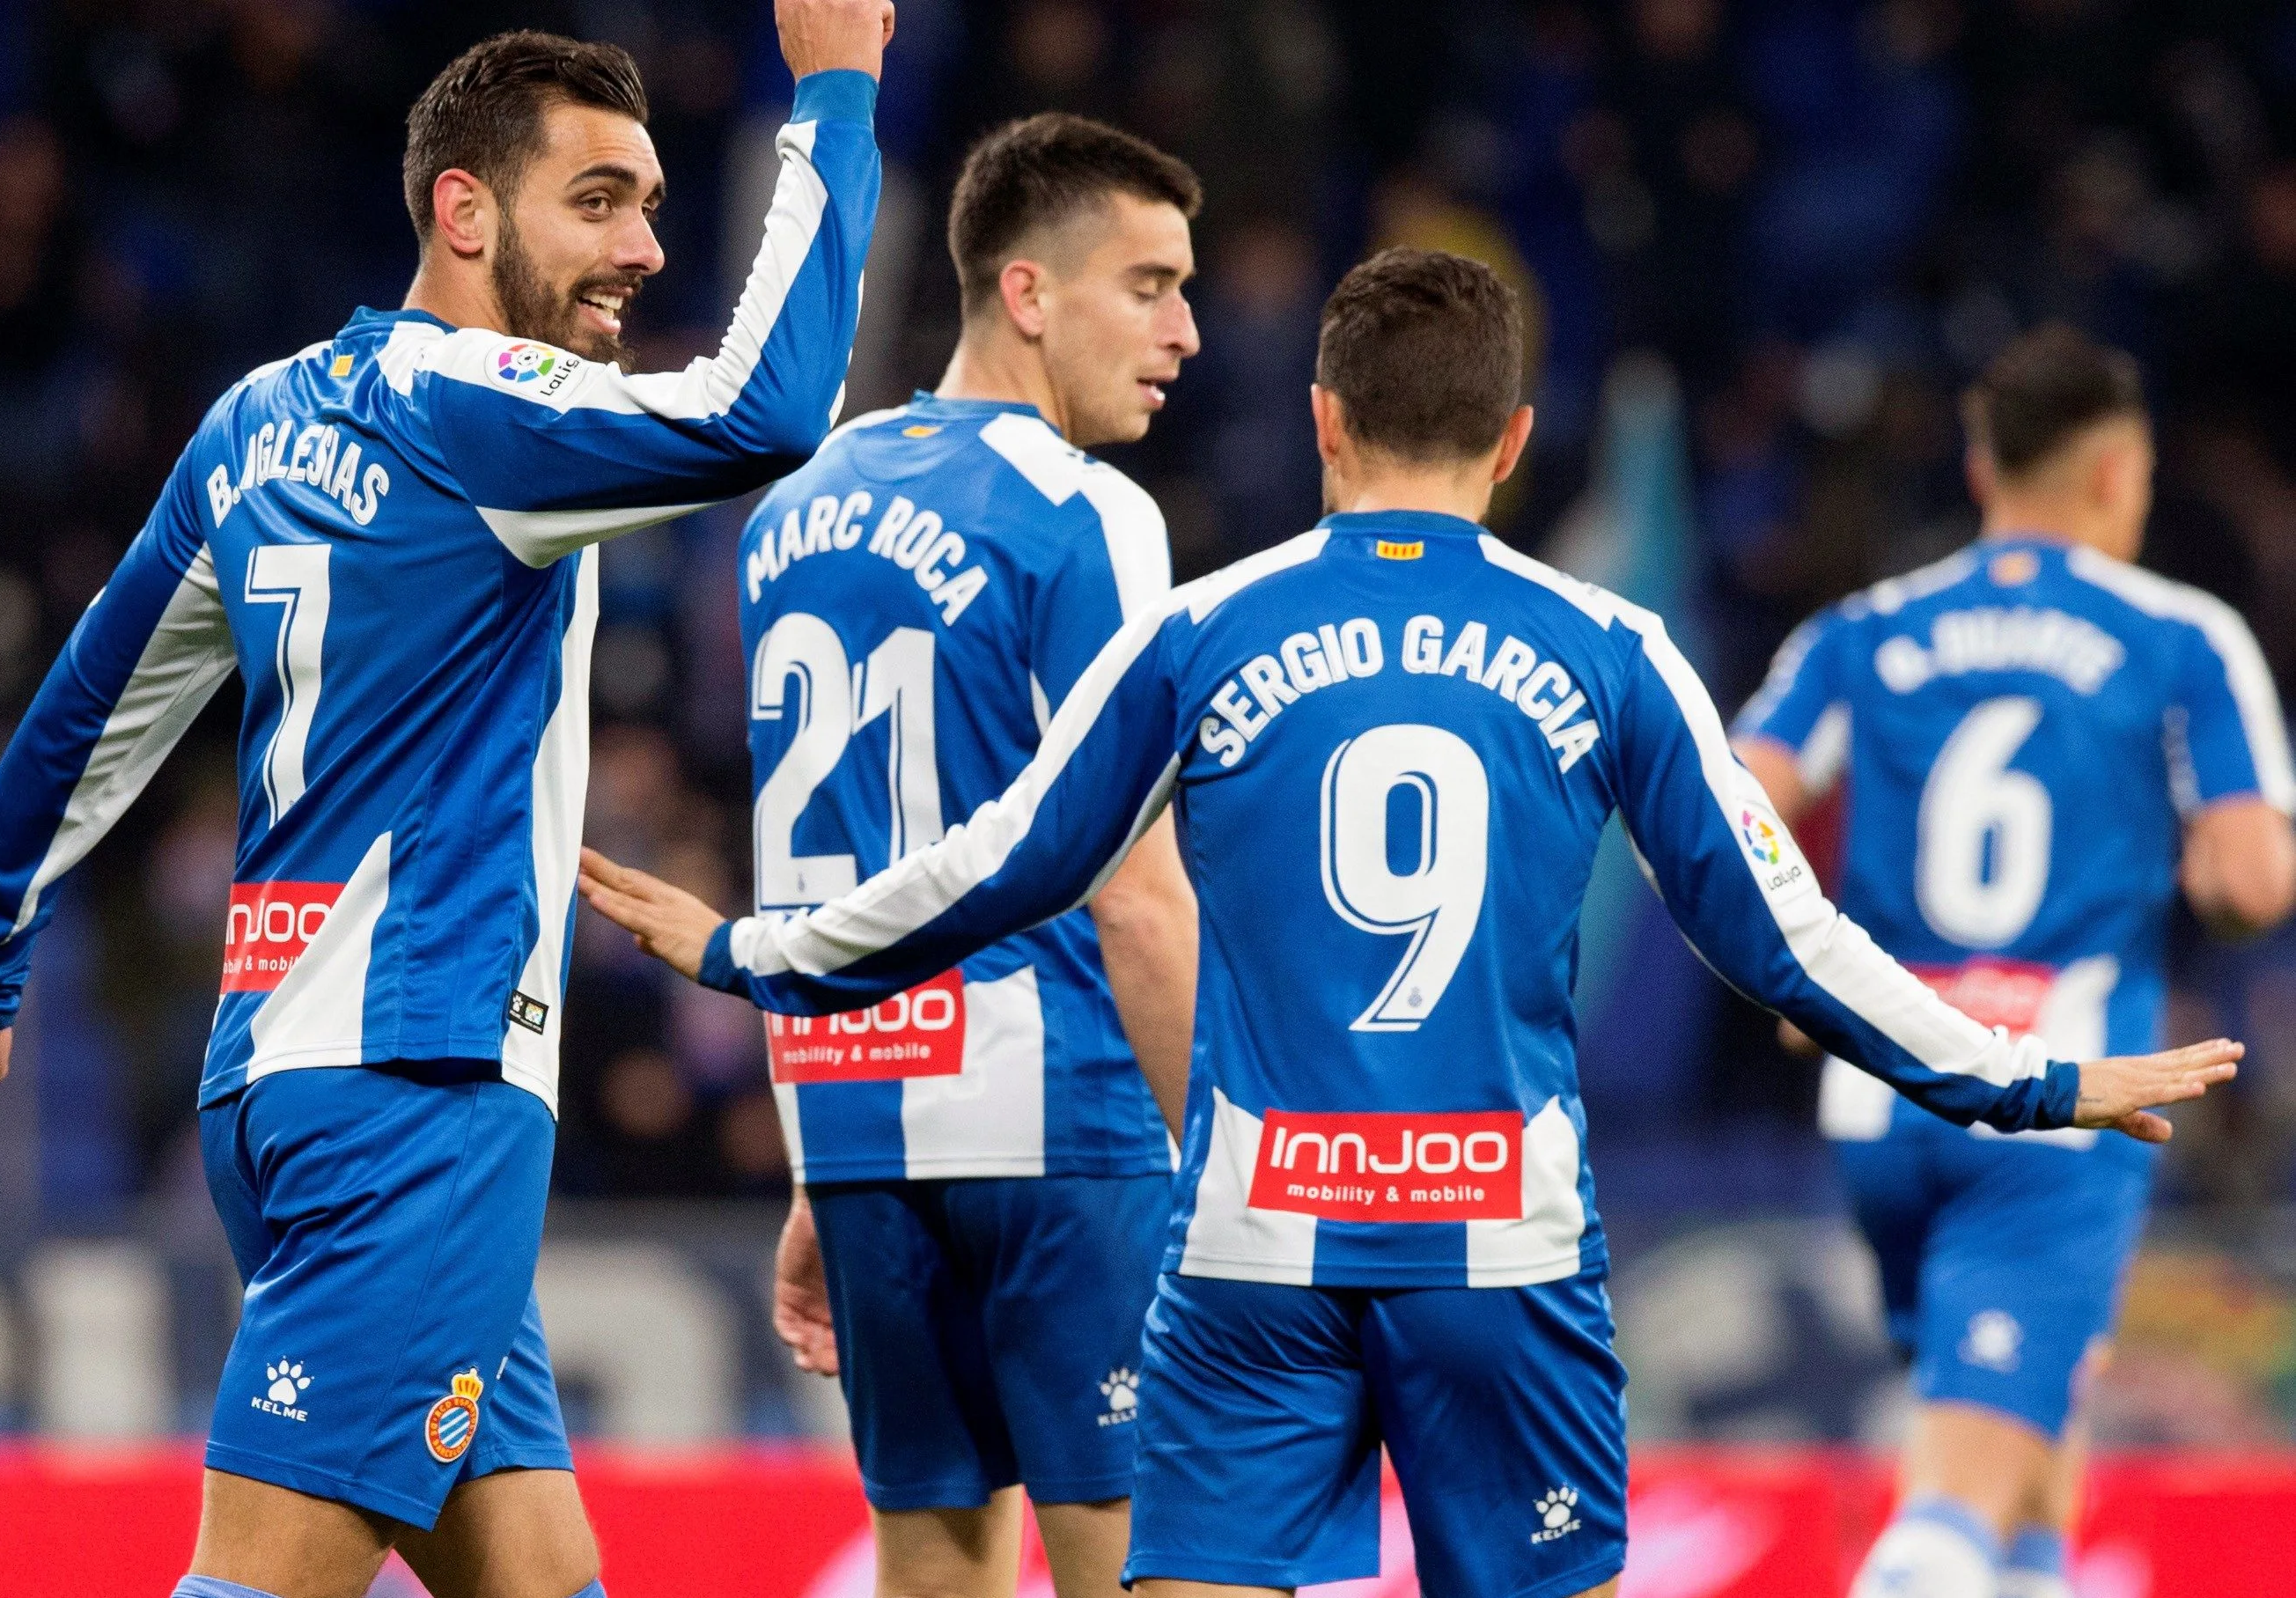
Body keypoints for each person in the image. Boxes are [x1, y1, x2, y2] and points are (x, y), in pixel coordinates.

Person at [574, 248, 2242, 1598]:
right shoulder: (1607, 646)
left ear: (1319, 419)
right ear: (1515, 440)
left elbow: (996, 866)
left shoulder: (1202, 633)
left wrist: (747, 950)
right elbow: (1785, 938)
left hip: (1250, 1258)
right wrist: (2027, 1081)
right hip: (1500, 1258)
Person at [0, 11, 893, 1598]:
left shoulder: (258, 420)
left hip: (283, 1078)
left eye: (649, 202)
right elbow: (764, 412)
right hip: (420, 1081)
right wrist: (831, 94)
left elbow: (87, 718)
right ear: (465, 210)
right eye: (600, 198)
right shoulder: (482, 410)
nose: (641, 244)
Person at [1732, 325, 2296, 1598]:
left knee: (2037, 1444)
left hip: (1883, 1093)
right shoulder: (2178, 634)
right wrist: (2209, 864)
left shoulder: (1860, 628)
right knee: (1958, 1486)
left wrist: (1796, 963)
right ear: (2114, 474)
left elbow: (1721, 803)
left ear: (1984, 471)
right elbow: (2250, 878)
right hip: (2058, 1100)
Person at [738, 112, 1202, 1598]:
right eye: (1146, 286)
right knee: (1153, 1566)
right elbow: (1132, 885)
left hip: (864, 1125)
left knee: (930, 1568)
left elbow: (802, 873)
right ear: (1025, 292)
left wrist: (819, 1163)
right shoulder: (1087, 516)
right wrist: (1222, 1168)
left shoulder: (791, 512)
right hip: (1059, 1128)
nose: (1183, 331)